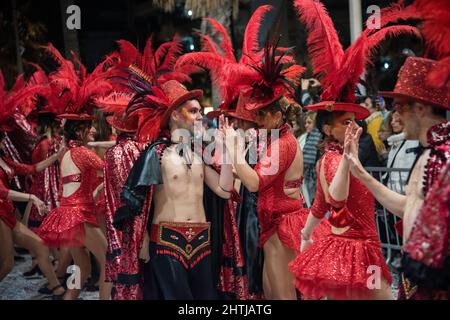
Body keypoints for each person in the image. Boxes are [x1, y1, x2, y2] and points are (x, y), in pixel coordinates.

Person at [289, 0, 417, 299]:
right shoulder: (336, 159)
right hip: (356, 252)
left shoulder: (329, 158)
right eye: (344, 121)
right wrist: (348, 160)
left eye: (353, 120)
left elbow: (319, 206)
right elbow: (335, 199)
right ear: (326, 128)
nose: (351, 126)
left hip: (345, 250)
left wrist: (307, 234)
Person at [222, 35, 329, 300]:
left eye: (261, 113)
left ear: (278, 114)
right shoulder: (279, 139)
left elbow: (255, 183)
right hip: (274, 225)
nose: (256, 119)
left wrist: (233, 149)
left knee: (282, 296)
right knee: (272, 294)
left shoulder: (283, 143)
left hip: (282, 228)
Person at [345, 56, 449, 299]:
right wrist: (360, 172)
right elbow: (408, 206)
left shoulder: (444, 158)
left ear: (421, 109)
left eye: (400, 107)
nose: (396, 116)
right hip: (415, 277)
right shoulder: (429, 153)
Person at [37, 43, 114, 300]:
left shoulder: (66, 154)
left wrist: (99, 186)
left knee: (83, 268)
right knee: (108, 264)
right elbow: (113, 169)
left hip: (65, 217)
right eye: (90, 127)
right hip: (80, 218)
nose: (93, 131)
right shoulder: (84, 153)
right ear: (80, 131)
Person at [383, 110, 420, 194]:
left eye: (396, 119)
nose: (392, 122)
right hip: (393, 192)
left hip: (404, 193)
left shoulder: (413, 140)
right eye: (391, 119)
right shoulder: (395, 142)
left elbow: (408, 170)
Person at [301, 111, 322, 206]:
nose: (306, 125)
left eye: (309, 122)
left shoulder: (316, 135)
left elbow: (308, 160)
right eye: (305, 122)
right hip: (309, 176)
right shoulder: (309, 136)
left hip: (313, 176)